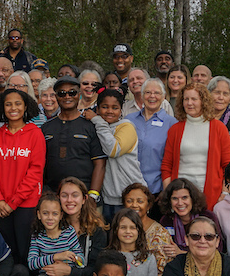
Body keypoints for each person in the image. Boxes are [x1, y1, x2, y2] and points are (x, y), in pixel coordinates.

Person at [39, 178, 109, 276]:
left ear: (84, 199)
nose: (69, 200)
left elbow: (96, 269)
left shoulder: (96, 230)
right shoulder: (51, 225)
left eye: (75, 195)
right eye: (64, 195)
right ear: (58, 198)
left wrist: (70, 270)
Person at [0, 89, 45, 264]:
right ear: (2, 108)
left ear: (25, 106)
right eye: (8, 104)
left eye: (18, 103)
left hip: (25, 204)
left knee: (24, 251)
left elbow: (35, 172)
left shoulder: (35, 134)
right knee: (4, 252)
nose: (13, 108)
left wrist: (13, 202)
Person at [160, 82, 230, 209]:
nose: (189, 103)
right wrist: (170, 193)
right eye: (186, 99)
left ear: (203, 101)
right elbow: (167, 165)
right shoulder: (175, 130)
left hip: (211, 194)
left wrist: (225, 193)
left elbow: (228, 165)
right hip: (180, 196)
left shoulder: (219, 128)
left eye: (194, 99)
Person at [42, 76, 106, 196]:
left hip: (85, 195)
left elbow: (100, 163)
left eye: (72, 93)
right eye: (62, 93)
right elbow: (40, 164)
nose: (67, 97)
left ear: (79, 95)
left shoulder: (90, 126)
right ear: (56, 96)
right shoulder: (46, 127)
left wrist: (93, 195)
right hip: (52, 196)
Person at [86, 89, 142, 218]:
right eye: (105, 107)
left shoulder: (126, 127)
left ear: (121, 110)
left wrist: (97, 120)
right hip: (108, 198)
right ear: (98, 109)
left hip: (130, 196)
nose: (110, 111)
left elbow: (113, 150)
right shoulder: (98, 127)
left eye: (115, 107)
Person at [127, 78, 177, 195]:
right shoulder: (129, 120)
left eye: (157, 93)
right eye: (148, 92)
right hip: (130, 187)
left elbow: (174, 160)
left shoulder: (171, 124)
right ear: (142, 95)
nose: (152, 96)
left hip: (157, 189)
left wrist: (166, 190)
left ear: (164, 96)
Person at [157, 178, 223, 256]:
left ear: (192, 198)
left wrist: (181, 253)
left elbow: (218, 250)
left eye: (184, 198)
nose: (180, 203)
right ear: (169, 201)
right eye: (175, 198)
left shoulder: (208, 217)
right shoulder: (166, 220)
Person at [121, 183, 173, 276]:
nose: (134, 205)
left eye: (140, 201)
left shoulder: (160, 234)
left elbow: (162, 271)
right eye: (129, 201)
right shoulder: (119, 229)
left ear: (148, 205)